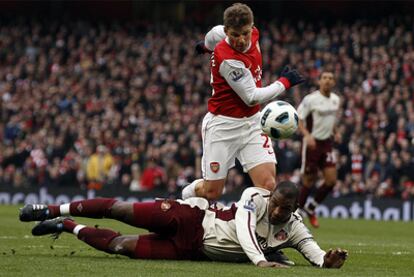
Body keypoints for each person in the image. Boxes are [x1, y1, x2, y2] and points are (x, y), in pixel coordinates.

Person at [19, 181, 348, 268]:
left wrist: (325, 261)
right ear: (270, 196)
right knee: (120, 209)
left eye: (284, 208)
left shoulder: (293, 226)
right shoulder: (253, 197)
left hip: (191, 251)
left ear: (293, 209)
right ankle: (47, 208)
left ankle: (65, 225)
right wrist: (261, 260)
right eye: (275, 203)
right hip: (191, 217)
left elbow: (311, 249)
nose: (276, 211)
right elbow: (247, 231)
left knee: (122, 246)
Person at [182, 3, 305, 201]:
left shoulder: (247, 33)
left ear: (252, 27)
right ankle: (186, 193)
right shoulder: (228, 58)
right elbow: (251, 97)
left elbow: (211, 35)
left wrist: (205, 46)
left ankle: (253, 227)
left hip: (252, 123)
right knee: (212, 192)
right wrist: (284, 82)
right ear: (227, 31)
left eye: (245, 33)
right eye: (235, 35)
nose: (240, 39)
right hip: (223, 125)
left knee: (268, 186)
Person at [297, 71, 341, 228]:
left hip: (326, 144)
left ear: (334, 82)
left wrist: (336, 131)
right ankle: (295, 214)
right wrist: (307, 136)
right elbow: (299, 119)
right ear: (319, 81)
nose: (327, 81)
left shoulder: (336, 100)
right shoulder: (311, 99)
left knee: (331, 181)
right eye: (325, 78)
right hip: (312, 144)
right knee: (309, 180)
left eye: (331, 78)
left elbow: (331, 120)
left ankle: (311, 207)